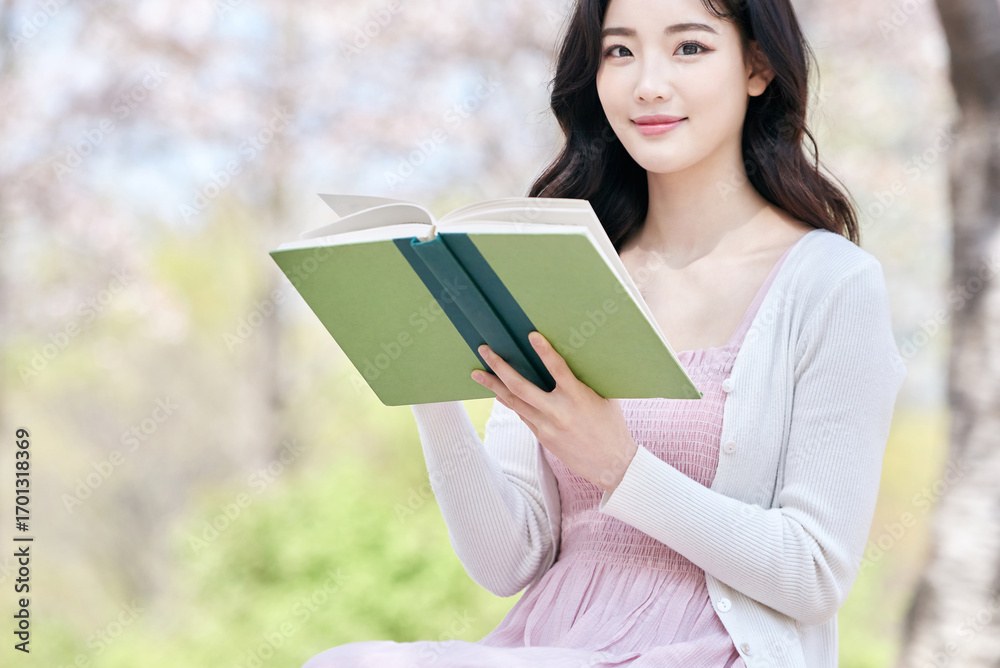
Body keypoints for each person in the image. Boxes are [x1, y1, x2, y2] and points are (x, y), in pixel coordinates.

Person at [302, 0, 907, 666]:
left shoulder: (829, 283)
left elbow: (815, 572)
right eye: (619, 51)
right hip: (550, 647)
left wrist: (621, 469)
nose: (647, 82)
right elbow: (506, 562)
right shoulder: (557, 267)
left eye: (689, 48)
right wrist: (422, 375)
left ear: (758, 66)